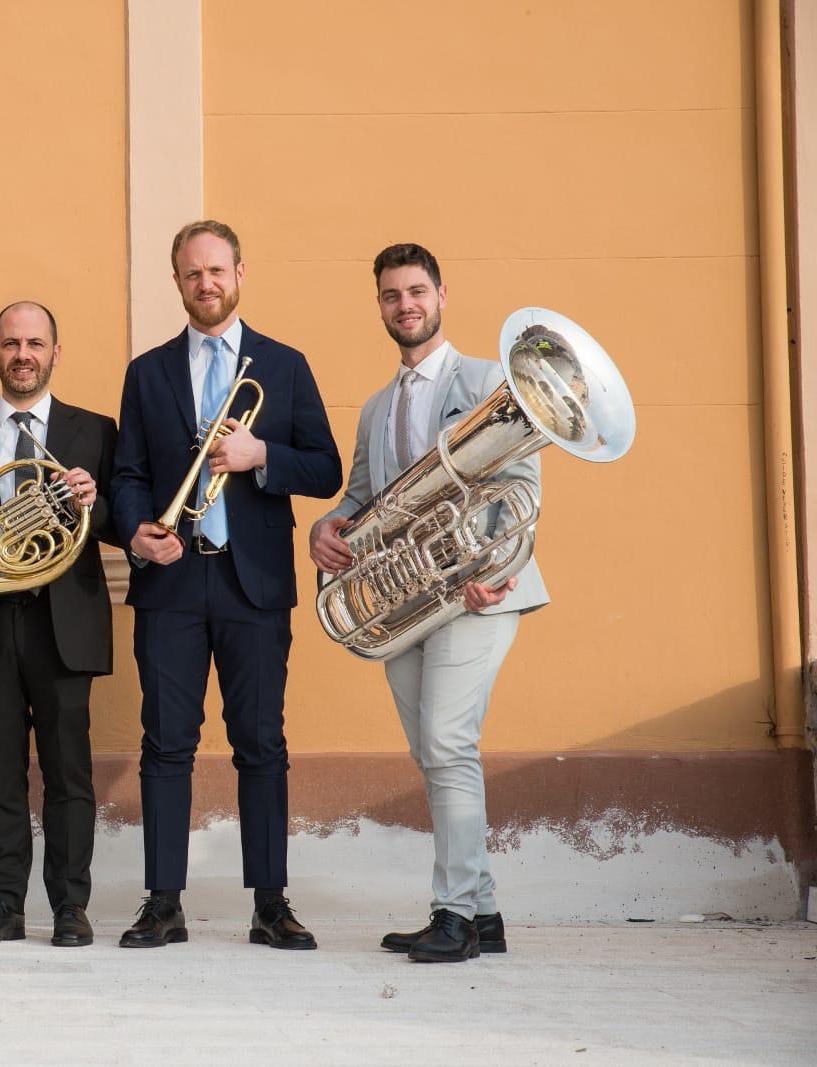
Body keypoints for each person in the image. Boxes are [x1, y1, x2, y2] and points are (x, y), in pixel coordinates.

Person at [309, 243, 548, 963]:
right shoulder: (376, 408)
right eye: (391, 295)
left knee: (447, 742)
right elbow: (362, 497)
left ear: (441, 296)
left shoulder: (488, 379)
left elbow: (522, 486)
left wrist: (492, 564)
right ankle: (484, 911)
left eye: (416, 291)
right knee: (432, 751)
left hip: (481, 591)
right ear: (380, 306)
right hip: (410, 597)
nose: (405, 305)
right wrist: (328, 526)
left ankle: (454, 915)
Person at [109, 219, 341, 949]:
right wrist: (135, 529)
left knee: (261, 742)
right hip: (173, 581)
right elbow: (127, 473)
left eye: (216, 270)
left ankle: (270, 903)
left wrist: (260, 453)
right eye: (192, 273)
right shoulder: (146, 372)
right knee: (165, 743)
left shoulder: (285, 365)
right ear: (177, 282)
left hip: (253, 583)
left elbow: (326, 468)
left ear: (240, 273)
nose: (205, 283)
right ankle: (163, 903)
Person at [0, 301, 117, 949]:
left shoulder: (96, 430)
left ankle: (70, 905)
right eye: (11, 343)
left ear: (55, 352)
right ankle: (3, 902)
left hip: (64, 625)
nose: (23, 354)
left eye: (35, 343)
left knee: (69, 775)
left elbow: (121, 522)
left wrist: (94, 501)